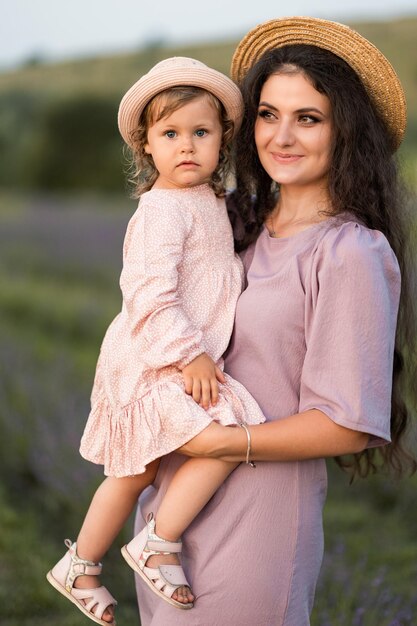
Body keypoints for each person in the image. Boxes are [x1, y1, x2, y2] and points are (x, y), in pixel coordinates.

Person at [135, 17, 416, 626]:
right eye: (267, 114)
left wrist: (223, 443)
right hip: (167, 517)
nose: (281, 136)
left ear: (346, 132)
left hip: (256, 520)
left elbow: (347, 423)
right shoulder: (231, 228)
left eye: (307, 118)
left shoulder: (349, 253)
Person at [46, 56, 266, 626]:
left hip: (170, 355)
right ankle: (156, 541)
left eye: (201, 132)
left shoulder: (209, 202)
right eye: (170, 134)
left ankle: (81, 564)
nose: (187, 146)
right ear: (147, 146)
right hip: (155, 355)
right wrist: (190, 352)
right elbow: (148, 291)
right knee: (221, 435)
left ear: (223, 140)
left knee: (137, 471)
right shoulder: (163, 210)